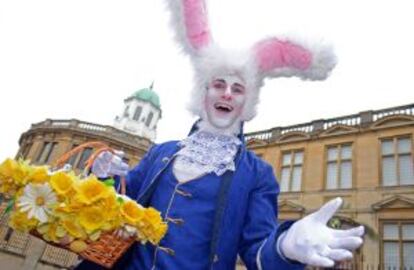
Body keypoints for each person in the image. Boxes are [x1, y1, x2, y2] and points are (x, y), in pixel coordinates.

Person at [77, 0, 364, 269]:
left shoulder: (258, 175)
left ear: (246, 103)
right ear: (203, 93)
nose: (227, 92)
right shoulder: (160, 153)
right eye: (219, 84)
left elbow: (257, 250)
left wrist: (285, 247)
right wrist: (104, 177)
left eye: (238, 88)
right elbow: (117, 207)